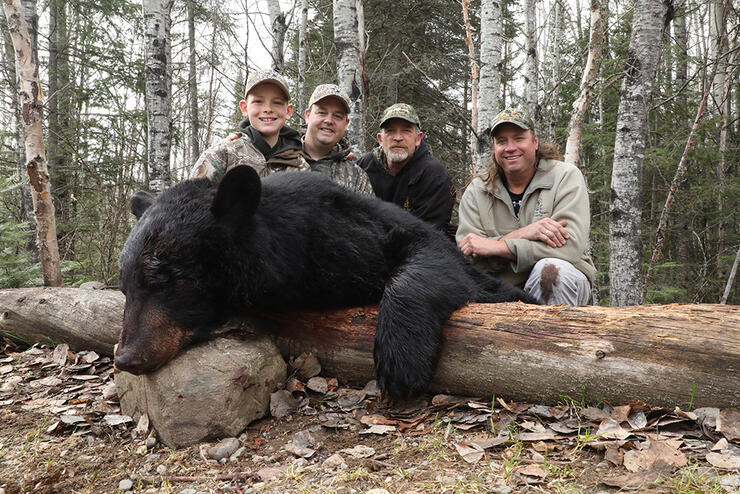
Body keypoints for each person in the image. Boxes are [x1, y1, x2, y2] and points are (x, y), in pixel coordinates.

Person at [456, 108, 596, 305]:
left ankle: (556, 335)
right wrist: (524, 233)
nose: (510, 147)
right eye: (502, 141)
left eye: (519, 138)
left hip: (562, 282)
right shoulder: (477, 191)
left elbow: (569, 248)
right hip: (500, 288)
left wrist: (496, 247)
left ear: (535, 142)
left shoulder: (565, 177)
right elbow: (470, 260)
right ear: (494, 148)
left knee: (551, 271)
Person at [190, 70, 308, 181]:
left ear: (288, 111)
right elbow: (190, 199)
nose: (268, 109)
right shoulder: (223, 155)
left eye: (277, 102)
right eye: (258, 101)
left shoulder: (299, 165)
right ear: (245, 108)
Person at [357, 103, 455, 231]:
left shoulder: (434, 175)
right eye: (390, 131)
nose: (398, 138)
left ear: (418, 139)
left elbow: (427, 233)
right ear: (380, 139)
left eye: (406, 131)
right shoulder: (363, 167)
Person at [301, 84, 373, 196]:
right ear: (307, 116)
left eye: (337, 116)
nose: (329, 120)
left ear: (346, 124)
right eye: (322, 113)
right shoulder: (281, 161)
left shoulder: (357, 178)